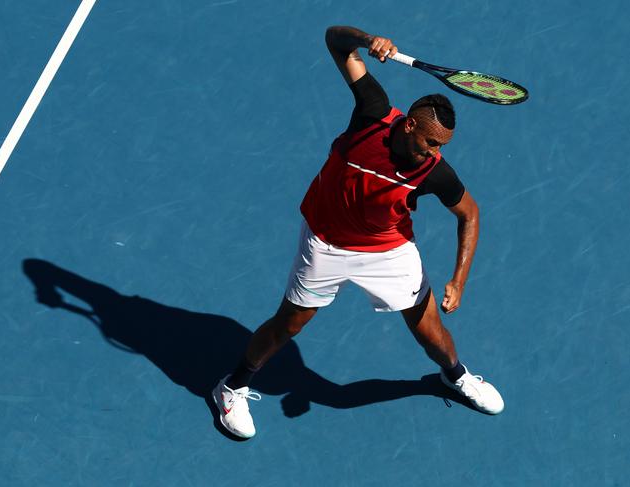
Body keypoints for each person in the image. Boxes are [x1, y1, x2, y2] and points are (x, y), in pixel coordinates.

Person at [212, 26, 504, 438]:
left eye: (442, 147)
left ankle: (455, 376)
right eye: (430, 142)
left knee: (428, 329)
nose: (434, 153)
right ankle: (232, 386)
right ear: (408, 126)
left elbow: (469, 214)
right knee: (289, 325)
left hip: (388, 248)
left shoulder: (435, 172)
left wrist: (459, 279)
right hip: (326, 243)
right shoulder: (372, 110)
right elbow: (335, 39)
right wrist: (369, 42)